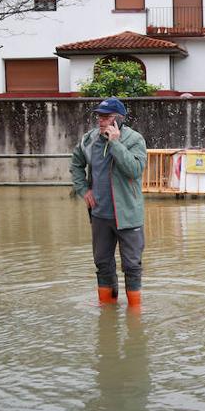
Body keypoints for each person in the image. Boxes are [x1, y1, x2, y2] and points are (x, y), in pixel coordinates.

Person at [70, 97, 148, 307]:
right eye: (99, 116)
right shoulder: (89, 140)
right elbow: (76, 164)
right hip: (99, 215)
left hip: (128, 216)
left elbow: (134, 170)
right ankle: (107, 310)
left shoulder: (134, 140)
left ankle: (135, 315)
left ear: (118, 119)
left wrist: (115, 143)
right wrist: (83, 190)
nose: (100, 120)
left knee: (132, 266)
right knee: (102, 264)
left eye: (106, 117)